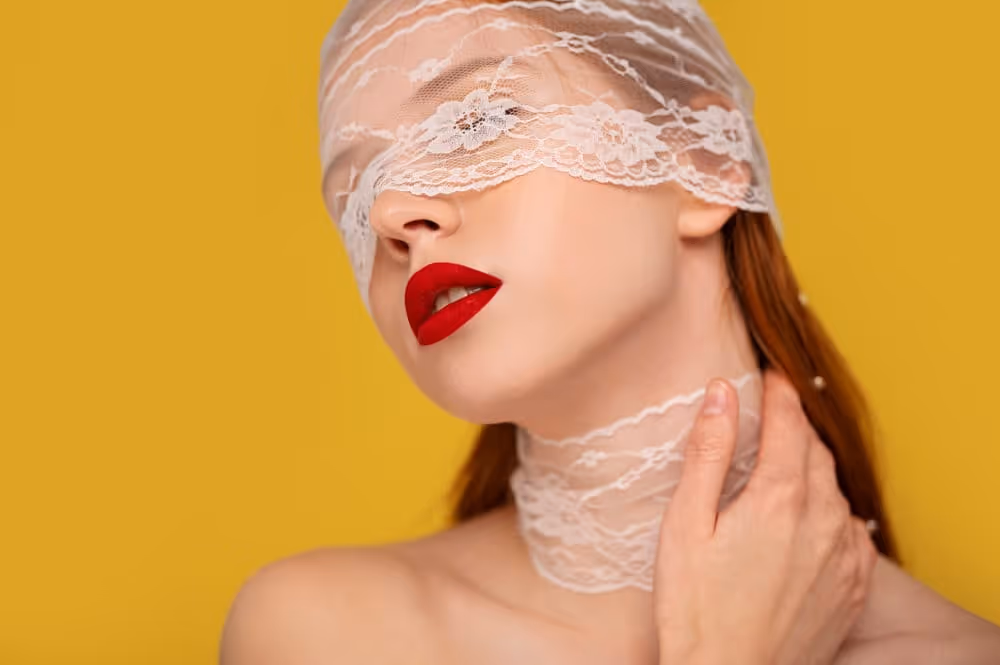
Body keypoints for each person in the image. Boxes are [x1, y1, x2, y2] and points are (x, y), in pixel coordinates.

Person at [220, 1, 1000, 662]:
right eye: (356, 193)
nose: (391, 212)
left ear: (706, 159)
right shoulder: (323, 633)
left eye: (473, 121)